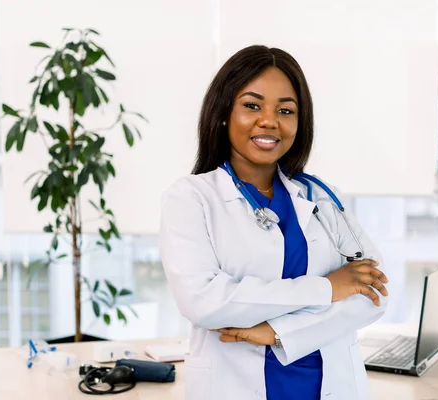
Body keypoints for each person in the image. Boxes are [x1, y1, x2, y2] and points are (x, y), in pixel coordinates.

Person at [159, 45, 390, 400]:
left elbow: (372, 294)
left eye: (285, 110)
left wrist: (278, 332)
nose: (269, 120)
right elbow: (204, 301)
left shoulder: (322, 198)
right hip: (233, 385)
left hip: (330, 386)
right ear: (223, 113)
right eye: (252, 106)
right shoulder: (191, 197)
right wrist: (328, 289)